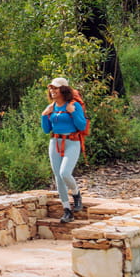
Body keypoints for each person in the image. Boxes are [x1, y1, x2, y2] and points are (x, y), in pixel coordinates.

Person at [41, 77, 86, 223]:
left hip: (72, 142)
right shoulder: (52, 107)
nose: (52, 91)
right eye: (51, 88)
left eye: (56, 88)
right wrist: (44, 115)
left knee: (65, 173)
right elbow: (47, 129)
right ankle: (66, 209)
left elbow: (82, 126)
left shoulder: (73, 105)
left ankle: (77, 193)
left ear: (64, 90)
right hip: (55, 142)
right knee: (58, 177)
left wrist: (72, 112)